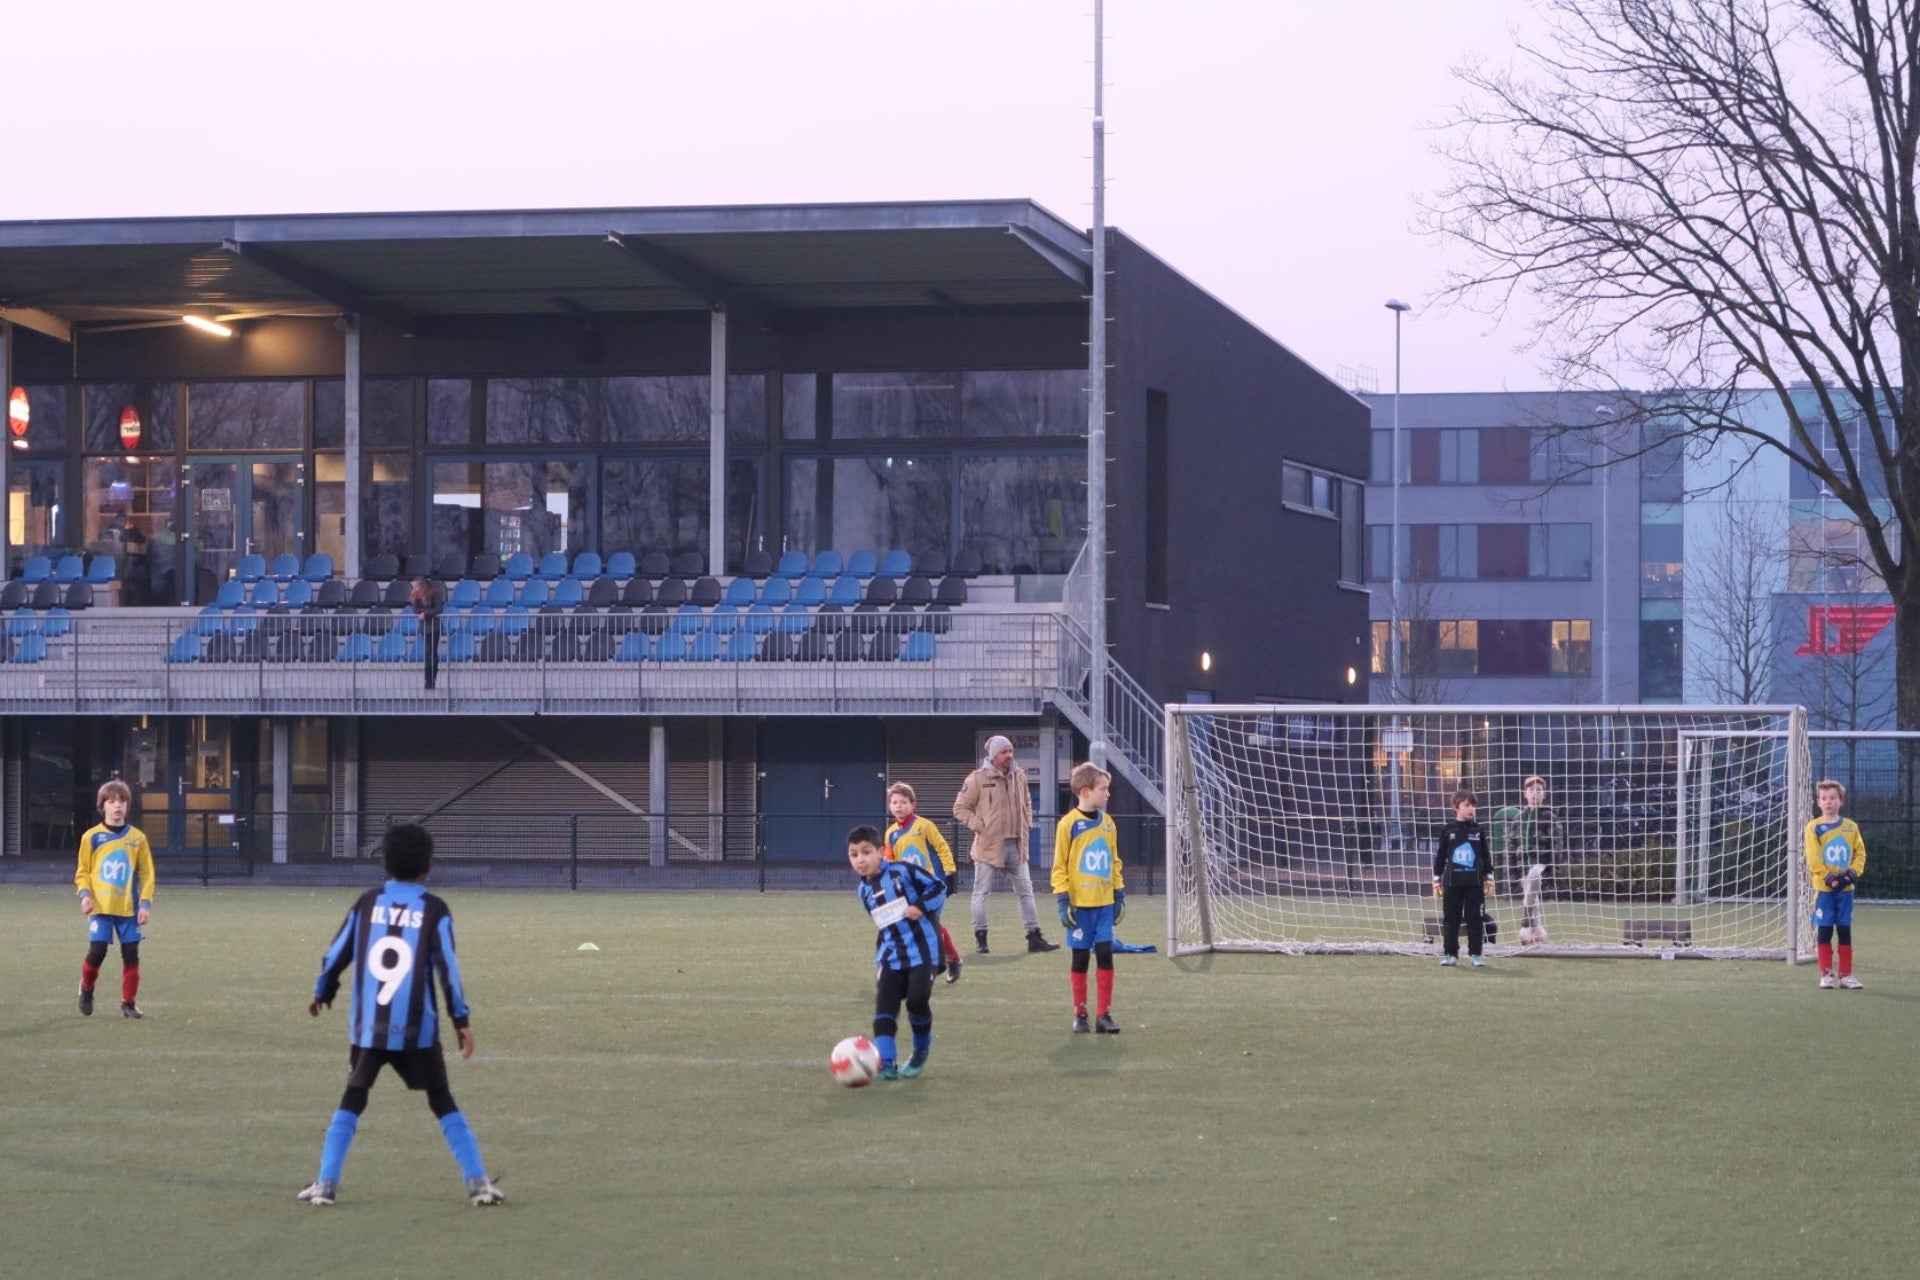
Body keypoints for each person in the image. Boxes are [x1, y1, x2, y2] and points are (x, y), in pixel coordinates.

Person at [298, 824, 504, 1207]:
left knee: (353, 1097)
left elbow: (336, 953)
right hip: (417, 1030)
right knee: (441, 1099)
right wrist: (460, 1020)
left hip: (369, 1029)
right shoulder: (435, 910)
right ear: (429, 864)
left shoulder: (366, 903)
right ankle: (477, 1183)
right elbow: (448, 970)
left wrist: (322, 991)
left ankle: (325, 1183)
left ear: (384, 862)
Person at [848, 823, 947, 1079]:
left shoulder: (903, 871)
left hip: (923, 950)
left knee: (917, 1001)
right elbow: (884, 925)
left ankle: (920, 1052)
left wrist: (920, 906)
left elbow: (938, 887)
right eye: (854, 854)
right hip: (891, 957)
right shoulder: (863, 891)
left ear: (881, 852)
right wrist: (880, 960)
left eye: (866, 852)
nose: (860, 860)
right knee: (884, 1009)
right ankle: (887, 1063)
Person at [953, 735, 1058, 955]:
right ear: (993, 755)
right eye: (1004, 751)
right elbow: (960, 808)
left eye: (1010, 750)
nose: (1009, 755)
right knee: (981, 893)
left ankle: (1034, 936)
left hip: (1016, 845)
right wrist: (978, 825)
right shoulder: (977, 778)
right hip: (988, 846)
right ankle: (981, 939)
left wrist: (1027, 823)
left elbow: (1026, 801)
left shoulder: (1019, 775)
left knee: (1026, 891)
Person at [1051, 762, 1124, 1034]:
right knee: (1080, 958)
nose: (1108, 794)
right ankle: (1080, 1013)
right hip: (1080, 907)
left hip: (1104, 905)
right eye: (1103, 789)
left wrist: (1118, 892)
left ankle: (1104, 1015)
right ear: (1085, 791)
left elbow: (1114, 861)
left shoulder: (1109, 823)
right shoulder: (1068, 824)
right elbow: (1059, 866)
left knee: (1105, 955)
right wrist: (1063, 899)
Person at [74, 778, 155, 1018]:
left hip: (128, 909)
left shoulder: (138, 838)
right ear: (103, 806)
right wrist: (85, 895)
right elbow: (83, 872)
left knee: (131, 954)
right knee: (97, 951)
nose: (117, 806)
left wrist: (145, 904)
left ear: (128, 805)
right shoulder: (91, 837)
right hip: (100, 907)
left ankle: (128, 1003)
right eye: (111, 802)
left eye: (122, 801)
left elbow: (147, 873)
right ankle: (86, 989)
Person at [884, 782, 963, 983]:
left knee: (927, 926)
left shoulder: (924, 826)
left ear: (913, 804)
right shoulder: (890, 834)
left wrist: (950, 873)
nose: (899, 806)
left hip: (932, 886)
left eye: (903, 802)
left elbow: (942, 847)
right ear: (889, 806)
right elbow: (890, 860)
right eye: (894, 802)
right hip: (910, 890)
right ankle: (953, 959)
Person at [1805, 779, 1867, 990]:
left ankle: (1846, 976)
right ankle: (1826, 975)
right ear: (1818, 802)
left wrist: (1851, 874)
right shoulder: (1813, 827)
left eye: (1832, 798)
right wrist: (1829, 878)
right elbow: (1813, 858)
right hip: (1824, 890)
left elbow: (1860, 853)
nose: (1828, 802)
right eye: (1824, 798)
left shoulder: (1851, 827)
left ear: (1841, 801)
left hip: (1846, 890)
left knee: (1844, 931)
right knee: (1824, 931)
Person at [1432, 789, 1494, 968]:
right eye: (1467, 805)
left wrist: (1489, 877)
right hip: (1452, 883)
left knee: (1475, 919)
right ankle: (1450, 954)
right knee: (1451, 919)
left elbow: (1485, 856)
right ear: (1456, 807)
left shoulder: (1478, 830)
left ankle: (1476, 955)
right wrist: (1436, 880)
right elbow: (1441, 856)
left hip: (1475, 884)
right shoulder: (1448, 830)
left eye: (1473, 805)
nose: (1471, 809)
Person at [1498, 775, 1560, 945]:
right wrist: (1513, 871)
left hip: (1541, 864)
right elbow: (1511, 846)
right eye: (1531, 790)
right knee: (1532, 898)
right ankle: (1534, 932)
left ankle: (1526, 915)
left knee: (1534, 875)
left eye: (1538, 790)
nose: (1535, 793)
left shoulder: (1549, 817)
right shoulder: (1518, 818)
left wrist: (1552, 866)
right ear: (1525, 794)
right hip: (1522, 866)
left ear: (1544, 795)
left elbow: (1557, 844)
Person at [411, 573, 446, 690]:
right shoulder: (416, 596)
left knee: (432, 652)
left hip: (434, 627)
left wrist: (425, 613)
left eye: (416, 586)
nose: (414, 588)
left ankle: (432, 679)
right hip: (424, 627)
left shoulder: (433, 593)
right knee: (427, 653)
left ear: (422, 585)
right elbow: (415, 609)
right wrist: (422, 611)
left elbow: (439, 609)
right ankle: (428, 679)